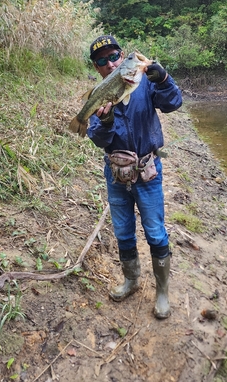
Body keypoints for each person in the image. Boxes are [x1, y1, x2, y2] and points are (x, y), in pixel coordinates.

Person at [87, 34, 182, 319]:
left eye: (114, 56)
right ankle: (131, 280)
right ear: (97, 68)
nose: (110, 63)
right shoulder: (100, 93)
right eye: (102, 61)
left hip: (148, 172)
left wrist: (163, 79)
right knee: (123, 231)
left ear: (123, 56)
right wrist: (105, 121)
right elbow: (99, 138)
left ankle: (162, 291)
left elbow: (173, 103)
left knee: (155, 231)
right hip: (116, 175)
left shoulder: (144, 83)